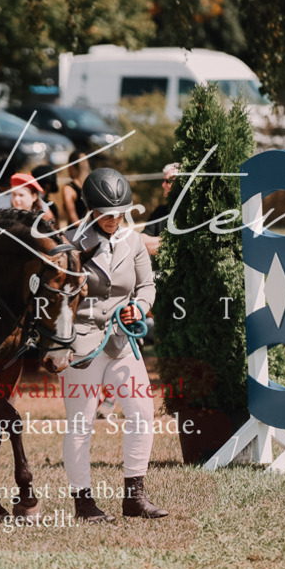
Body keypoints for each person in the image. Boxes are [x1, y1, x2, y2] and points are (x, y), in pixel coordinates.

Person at [60, 168, 168, 522]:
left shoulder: (133, 241)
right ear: (91, 210)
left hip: (121, 340)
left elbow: (147, 285)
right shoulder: (72, 241)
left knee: (142, 412)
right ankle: (83, 503)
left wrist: (140, 306)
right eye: (106, 214)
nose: (113, 220)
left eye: (119, 214)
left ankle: (134, 496)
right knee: (82, 423)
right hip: (83, 344)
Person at [141, 162, 180, 260]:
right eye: (163, 180)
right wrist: (171, 242)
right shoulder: (160, 212)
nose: (163, 185)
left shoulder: (191, 213)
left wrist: (157, 241)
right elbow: (142, 241)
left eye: (168, 181)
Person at [61, 151, 88, 227]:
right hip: (91, 231)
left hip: (75, 233)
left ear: (71, 166)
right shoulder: (90, 185)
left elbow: (74, 221)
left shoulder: (69, 189)